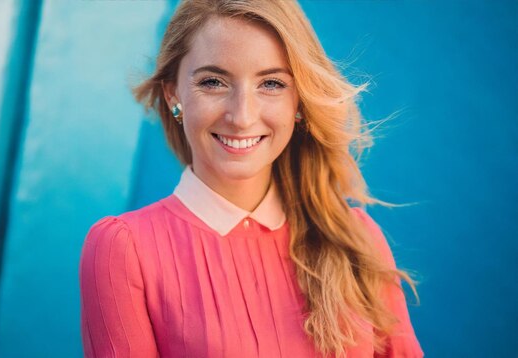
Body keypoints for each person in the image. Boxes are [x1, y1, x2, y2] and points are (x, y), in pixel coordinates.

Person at [79, 0, 423, 357]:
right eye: (213, 82)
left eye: (271, 84)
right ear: (173, 93)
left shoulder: (357, 239)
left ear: (299, 101)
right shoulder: (124, 248)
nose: (242, 117)